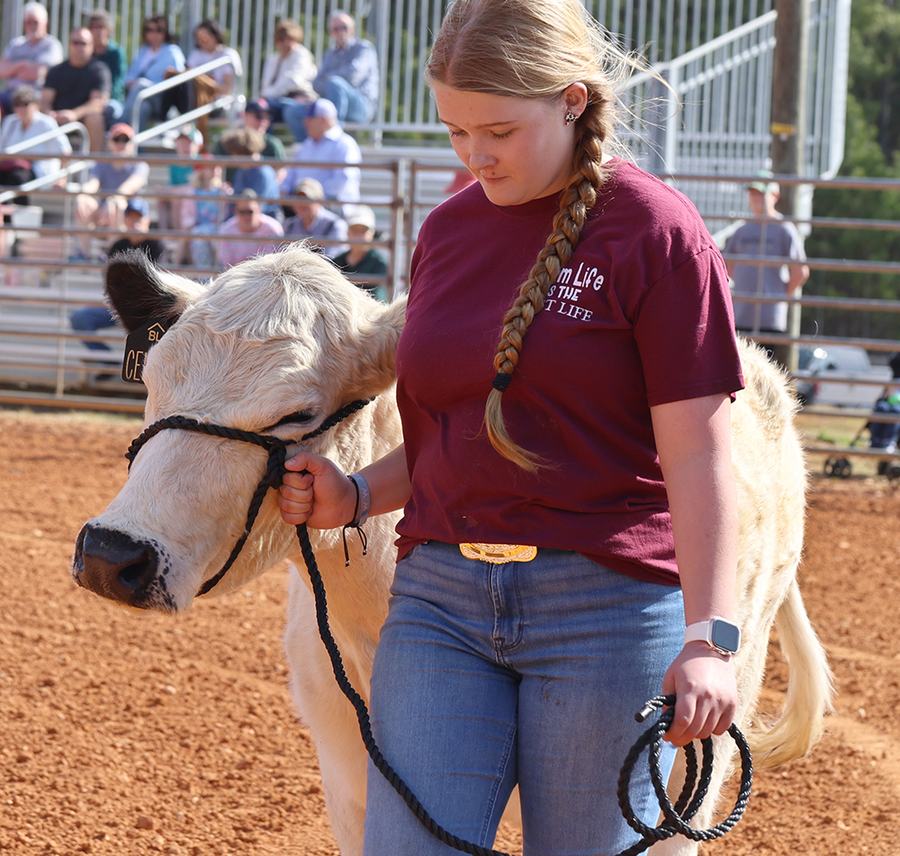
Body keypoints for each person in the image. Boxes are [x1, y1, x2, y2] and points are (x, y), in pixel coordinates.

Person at [277, 2, 744, 854]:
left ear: (571, 101)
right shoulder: (447, 231)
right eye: (456, 131)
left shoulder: (659, 233)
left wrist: (711, 638)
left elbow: (701, 453)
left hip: (607, 610)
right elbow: (448, 435)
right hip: (439, 602)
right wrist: (355, 494)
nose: (474, 155)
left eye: (497, 131)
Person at [724, 172, 810, 368]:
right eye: (753, 194)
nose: (756, 199)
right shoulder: (742, 230)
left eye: (761, 194)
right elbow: (727, 266)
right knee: (740, 369)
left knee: (763, 369)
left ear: (775, 196)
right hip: (741, 313)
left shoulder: (784, 229)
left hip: (769, 318)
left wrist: (779, 297)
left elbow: (800, 271)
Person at [69, 197, 163, 370]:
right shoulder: (119, 245)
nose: (135, 222)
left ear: (148, 220)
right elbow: (111, 283)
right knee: (80, 318)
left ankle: (143, 371)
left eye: (139, 218)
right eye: (131, 217)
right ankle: (108, 362)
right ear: (125, 220)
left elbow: (158, 286)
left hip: (146, 310)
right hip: (120, 307)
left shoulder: (156, 246)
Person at [72, 122, 148, 259]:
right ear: (110, 143)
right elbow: (93, 184)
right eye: (117, 139)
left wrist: (112, 201)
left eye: (125, 140)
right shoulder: (102, 164)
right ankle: (84, 254)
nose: (121, 144)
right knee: (84, 204)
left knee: (117, 205)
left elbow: (129, 188)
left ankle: (112, 254)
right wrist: (83, 195)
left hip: (132, 215)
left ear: (132, 144)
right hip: (105, 211)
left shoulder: (140, 165)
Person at [160, 19, 242, 140]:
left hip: (217, 103)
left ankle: (185, 126)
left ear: (215, 35)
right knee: (175, 80)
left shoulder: (227, 55)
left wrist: (201, 79)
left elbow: (226, 90)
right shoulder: (196, 54)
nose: (202, 41)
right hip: (192, 101)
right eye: (199, 38)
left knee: (189, 80)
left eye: (205, 37)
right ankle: (164, 124)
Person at [40, 27, 110, 152]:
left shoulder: (99, 70)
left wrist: (74, 114)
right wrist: (50, 114)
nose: (79, 47)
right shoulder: (56, 71)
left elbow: (98, 103)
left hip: (83, 119)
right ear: (69, 45)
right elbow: (45, 100)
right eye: (75, 42)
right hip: (56, 119)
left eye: (83, 43)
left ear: (92, 46)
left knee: (95, 118)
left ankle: (95, 162)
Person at [279, 99, 361, 205]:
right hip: (302, 205)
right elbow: (291, 173)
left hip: (332, 206)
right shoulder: (307, 143)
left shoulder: (344, 144)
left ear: (324, 120)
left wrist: (311, 197)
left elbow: (342, 180)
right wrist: (286, 191)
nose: (305, 123)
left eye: (310, 119)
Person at [312, 10, 378, 124]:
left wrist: (329, 79)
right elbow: (316, 84)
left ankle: (334, 132)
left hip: (362, 105)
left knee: (335, 83)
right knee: (294, 111)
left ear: (352, 29)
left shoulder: (364, 48)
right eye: (336, 29)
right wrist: (332, 81)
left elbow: (353, 76)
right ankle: (320, 135)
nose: (340, 32)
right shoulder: (330, 54)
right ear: (331, 32)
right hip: (333, 101)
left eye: (344, 27)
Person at [121, 15, 186, 130]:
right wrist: (131, 83)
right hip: (141, 98)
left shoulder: (172, 51)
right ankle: (132, 140)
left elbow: (180, 78)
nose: (154, 34)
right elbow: (128, 77)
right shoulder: (142, 51)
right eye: (150, 30)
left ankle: (120, 124)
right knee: (143, 108)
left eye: (159, 30)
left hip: (162, 98)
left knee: (141, 84)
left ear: (165, 32)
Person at [0, 2, 63, 115]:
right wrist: (23, 65)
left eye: (35, 22)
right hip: (11, 94)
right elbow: (2, 70)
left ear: (45, 23)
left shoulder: (52, 45)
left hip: (36, 96)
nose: (32, 26)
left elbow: (38, 72)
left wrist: (13, 69)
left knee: (24, 104)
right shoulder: (16, 44)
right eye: (28, 22)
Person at [0, 85, 70, 188]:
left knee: (16, 178)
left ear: (35, 105)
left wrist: (62, 177)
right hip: (12, 166)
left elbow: (64, 151)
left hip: (38, 170)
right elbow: (2, 149)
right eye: (17, 104)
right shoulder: (10, 122)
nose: (21, 108)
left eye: (25, 104)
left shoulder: (46, 123)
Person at [212, 99, 285, 185]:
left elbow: (280, 172)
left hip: (259, 191)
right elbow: (214, 170)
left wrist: (266, 188)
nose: (263, 121)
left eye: (267, 117)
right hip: (230, 191)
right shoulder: (228, 141)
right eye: (259, 116)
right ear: (245, 115)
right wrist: (221, 186)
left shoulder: (272, 144)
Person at [258, 19, 317, 127]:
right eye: (281, 39)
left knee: (264, 109)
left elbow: (293, 81)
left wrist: (267, 96)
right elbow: (265, 85)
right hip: (274, 100)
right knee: (255, 110)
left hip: (298, 99)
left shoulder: (301, 55)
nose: (285, 43)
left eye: (290, 39)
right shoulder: (273, 59)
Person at [219, 127, 281, 219]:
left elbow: (257, 207)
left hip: (265, 219)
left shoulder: (263, 173)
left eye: (235, 154)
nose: (233, 158)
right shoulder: (242, 170)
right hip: (242, 219)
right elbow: (236, 200)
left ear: (243, 153)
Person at [332, 204, 388, 300]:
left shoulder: (379, 263)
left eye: (363, 231)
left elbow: (377, 300)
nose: (359, 236)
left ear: (372, 233)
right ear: (348, 233)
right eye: (355, 230)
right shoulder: (337, 262)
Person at [216, 189, 283, 268]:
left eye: (250, 212)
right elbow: (226, 264)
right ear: (236, 212)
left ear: (258, 210)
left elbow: (272, 263)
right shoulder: (226, 231)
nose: (246, 216)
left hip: (265, 273)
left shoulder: (272, 229)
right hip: (235, 273)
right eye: (242, 212)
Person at [283, 177, 347, 257]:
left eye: (307, 199)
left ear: (320, 201)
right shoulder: (289, 225)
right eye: (298, 199)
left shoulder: (335, 225)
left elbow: (333, 259)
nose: (301, 203)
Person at [185, 159, 231, 268]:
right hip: (199, 228)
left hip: (220, 227)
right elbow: (188, 216)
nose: (215, 170)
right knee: (199, 239)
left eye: (217, 167)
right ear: (202, 170)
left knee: (218, 242)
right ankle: (204, 274)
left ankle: (221, 270)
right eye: (210, 167)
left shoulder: (224, 191)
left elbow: (227, 213)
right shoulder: (194, 191)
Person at [84, 9, 126, 127]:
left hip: (110, 100)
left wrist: (102, 99)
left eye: (101, 27)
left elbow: (117, 84)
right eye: (94, 27)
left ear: (109, 30)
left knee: (109, 110)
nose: (98, 31)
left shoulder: (116, 53)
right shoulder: (86, 53)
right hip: (89, 100)